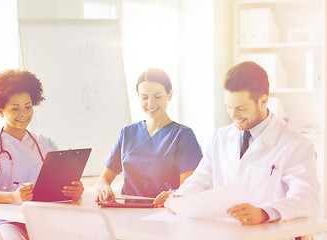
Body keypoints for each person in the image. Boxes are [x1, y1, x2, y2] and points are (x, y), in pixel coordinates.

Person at [167, 61, 320, 225]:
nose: (233, 115)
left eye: (241, 108)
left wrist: (264, 212)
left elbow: (306, 197)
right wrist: (180, 197)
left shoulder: (296, 145)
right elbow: (201, 179)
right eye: (229, 107)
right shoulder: (220, 137)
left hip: (270, 233)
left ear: (263, 101)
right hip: (225, 231)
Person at [0, 69, 84, 239]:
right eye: (15, 108)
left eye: (28, 106)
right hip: (6, 220)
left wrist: (73, 190)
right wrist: (12, 196)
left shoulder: (45, 142)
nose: (23, 114)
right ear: (0, 111)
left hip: (44, 216)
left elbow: (60, 181)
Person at [95, 68, 202, 207]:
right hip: (127, 212)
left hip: (165, 212)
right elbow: (103, 179)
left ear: (169, 94)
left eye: (157, 96)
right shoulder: (127, 133)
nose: (150, 103)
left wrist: (173, 194)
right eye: (144, 97)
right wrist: (104, 189)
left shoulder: (183, 135)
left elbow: (189, 189)